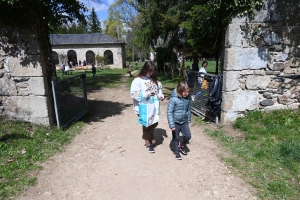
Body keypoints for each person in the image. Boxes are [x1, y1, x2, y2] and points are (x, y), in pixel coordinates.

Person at [130, 61, 165, 153]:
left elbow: (159, 89)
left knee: (154, 123)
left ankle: (150, 136)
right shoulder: (137, 80)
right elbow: (133, 94)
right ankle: (149, 143)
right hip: (143, 108)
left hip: (153, 107)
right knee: (147, 125)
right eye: (149, 71)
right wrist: (146, 94)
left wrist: (160, 95)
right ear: (145, 69)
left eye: (152, 71)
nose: (151, 73)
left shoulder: (153, 79)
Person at [167, 81, 191, 160]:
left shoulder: (187, 98)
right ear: (180, 90)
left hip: (184, 122)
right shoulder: (173, 99)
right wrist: (172, 125)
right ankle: (176, 151)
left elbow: (189, 109)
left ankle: (182, 144)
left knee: (188, 136)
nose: (187, 94)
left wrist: (188, 119)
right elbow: (169, 112)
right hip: (175, 122)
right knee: (175, 138)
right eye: (185, 92)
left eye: (188, 92)